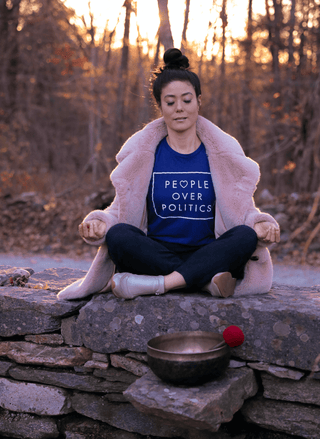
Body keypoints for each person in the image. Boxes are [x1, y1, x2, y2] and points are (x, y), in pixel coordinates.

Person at [58, 48, 280, 301]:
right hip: (155, 252)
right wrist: (100, 223)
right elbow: (120, 210)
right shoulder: (144, 155)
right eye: (170, 102)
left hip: (210, 251)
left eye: (187, 100)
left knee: (245, 236)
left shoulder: (222, 155)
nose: (179, 109)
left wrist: (261, 223)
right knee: (118, 235)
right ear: (160, 106)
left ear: (198, 102)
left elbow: (242, 211)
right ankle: (205, 283)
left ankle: (159, 283)